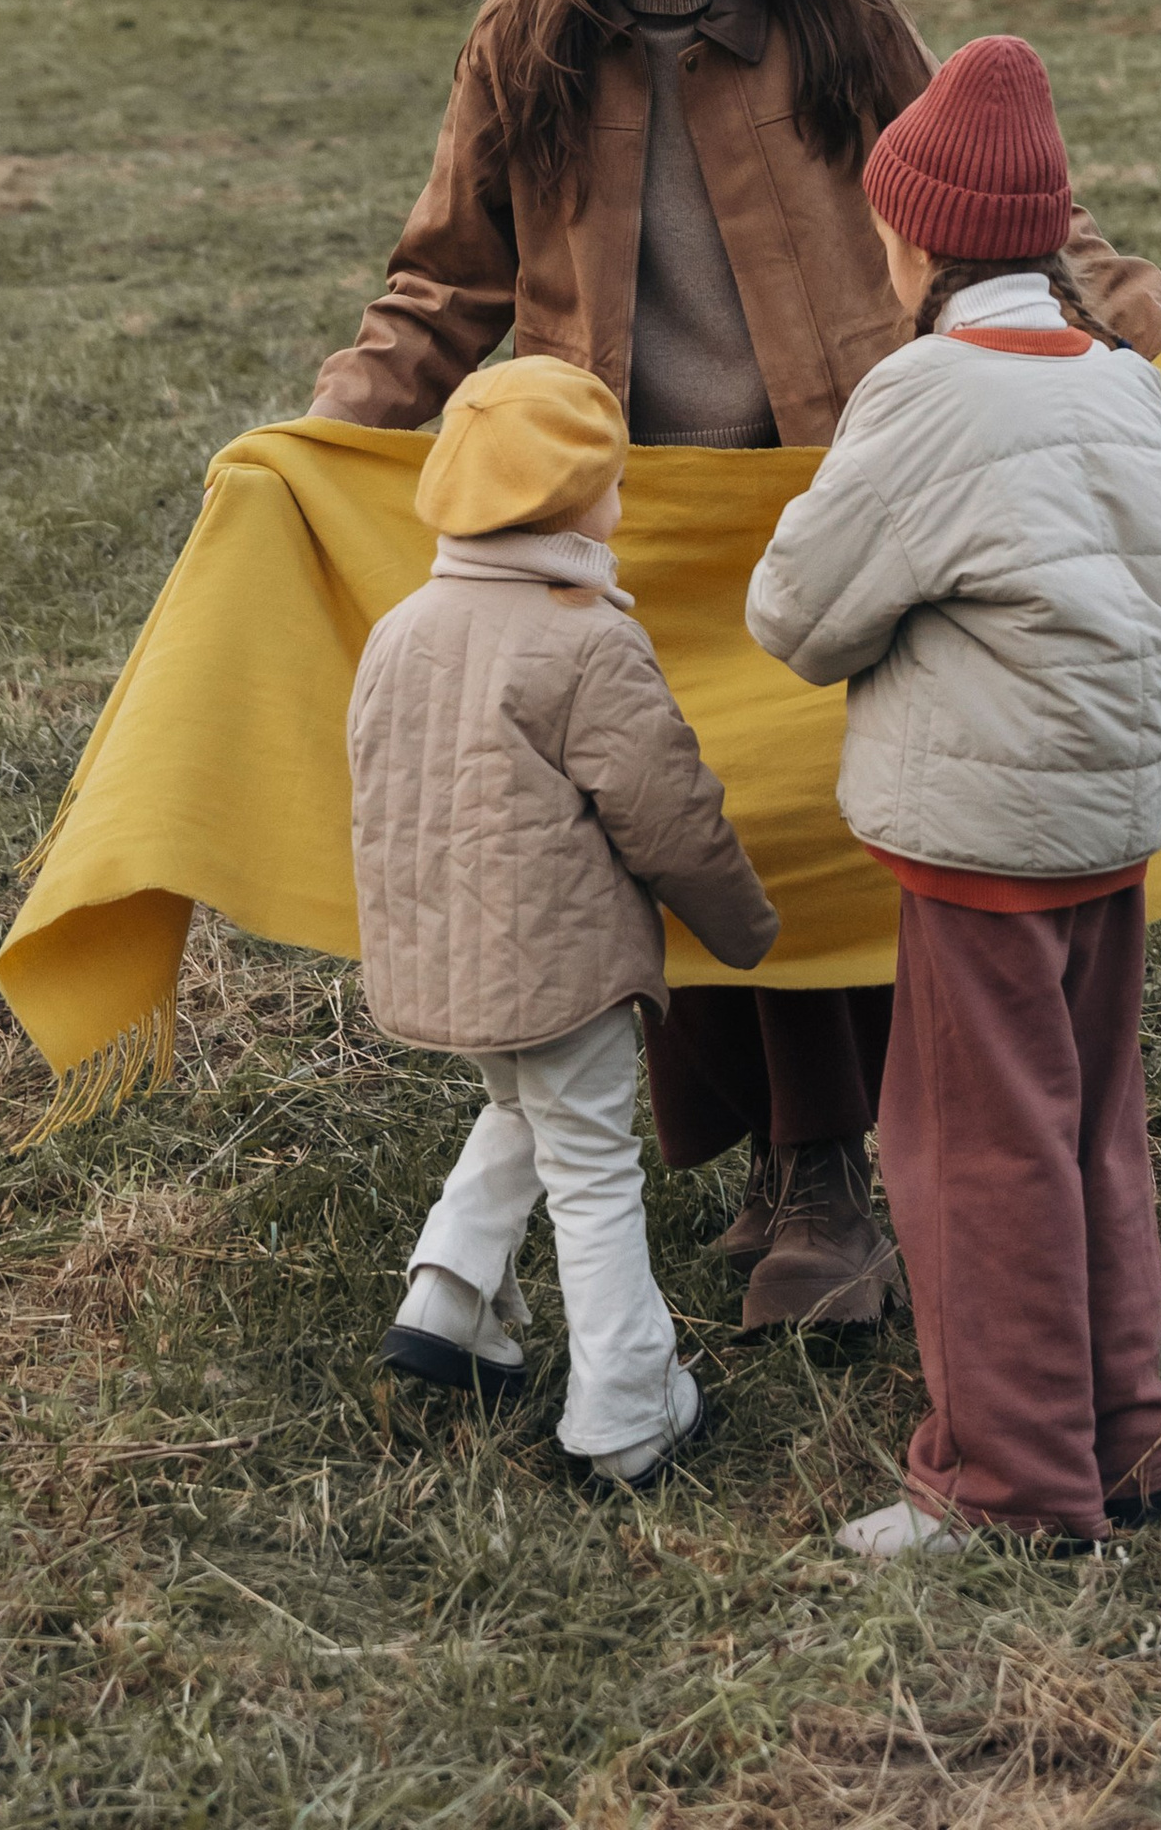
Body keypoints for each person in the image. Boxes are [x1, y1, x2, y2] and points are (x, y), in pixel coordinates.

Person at [312, 0, 1161, 1332]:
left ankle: (825, 1179)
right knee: (656, 823)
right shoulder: (522, 45)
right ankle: (764, 1163)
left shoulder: (831, 12)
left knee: (815, 831)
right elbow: (440, 287)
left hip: (823, 488)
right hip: (625, 520)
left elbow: (1011, 216)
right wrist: (318, 438)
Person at [746, 35, 1161, 1556]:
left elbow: (796, 617)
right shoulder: (1134, 387)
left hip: (979, 848)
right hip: (1111, 826)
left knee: (971, 1156)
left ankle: (1010, 1486)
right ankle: (1124, 1441)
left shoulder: (926, 395)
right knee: (1092, 1134)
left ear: (916, 233)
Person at [349, 355, 778, 1484]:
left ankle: (447, 1295)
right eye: (613, 481)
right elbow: (668, 809)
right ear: (569, 501)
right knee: (591, 1165)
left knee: (524, 1105)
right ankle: (627, 1409)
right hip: (559, 962)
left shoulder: (400, 628)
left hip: (444, 956)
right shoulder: (585, 639)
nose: (622, 499)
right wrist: (743, 927)